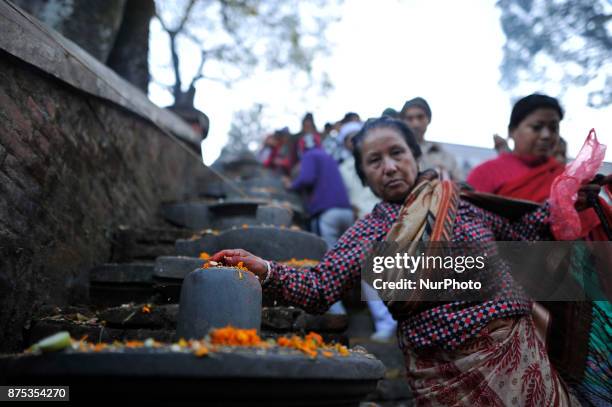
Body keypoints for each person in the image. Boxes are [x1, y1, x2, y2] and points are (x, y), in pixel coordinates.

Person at [211, 116, 601, 405]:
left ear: (415, 156)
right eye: (374, 161)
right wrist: (267, 269)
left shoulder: (461, 202)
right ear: (364, 177)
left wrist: (566, 201)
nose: (389, 167)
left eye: (397, 153)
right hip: (443, 374)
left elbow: (528, 236)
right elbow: (319, 287)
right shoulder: (372, 228)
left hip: (515, 357)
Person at [467, 94, 612, 406]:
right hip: (509, 280)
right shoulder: (486, 173)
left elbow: (584, 229)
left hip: (570, 284)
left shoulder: (568, 176)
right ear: (512, 130)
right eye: (537, 127)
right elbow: (471, 227)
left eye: (553, 127)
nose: (547, 135)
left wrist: (588, 198)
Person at [400, 97, 462, 180]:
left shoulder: (444, 156)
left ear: (428, 119)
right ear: (402, 122)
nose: (415, 124)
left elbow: (460, 186)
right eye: (410, 118)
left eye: (420, 117)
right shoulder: (394, 153)